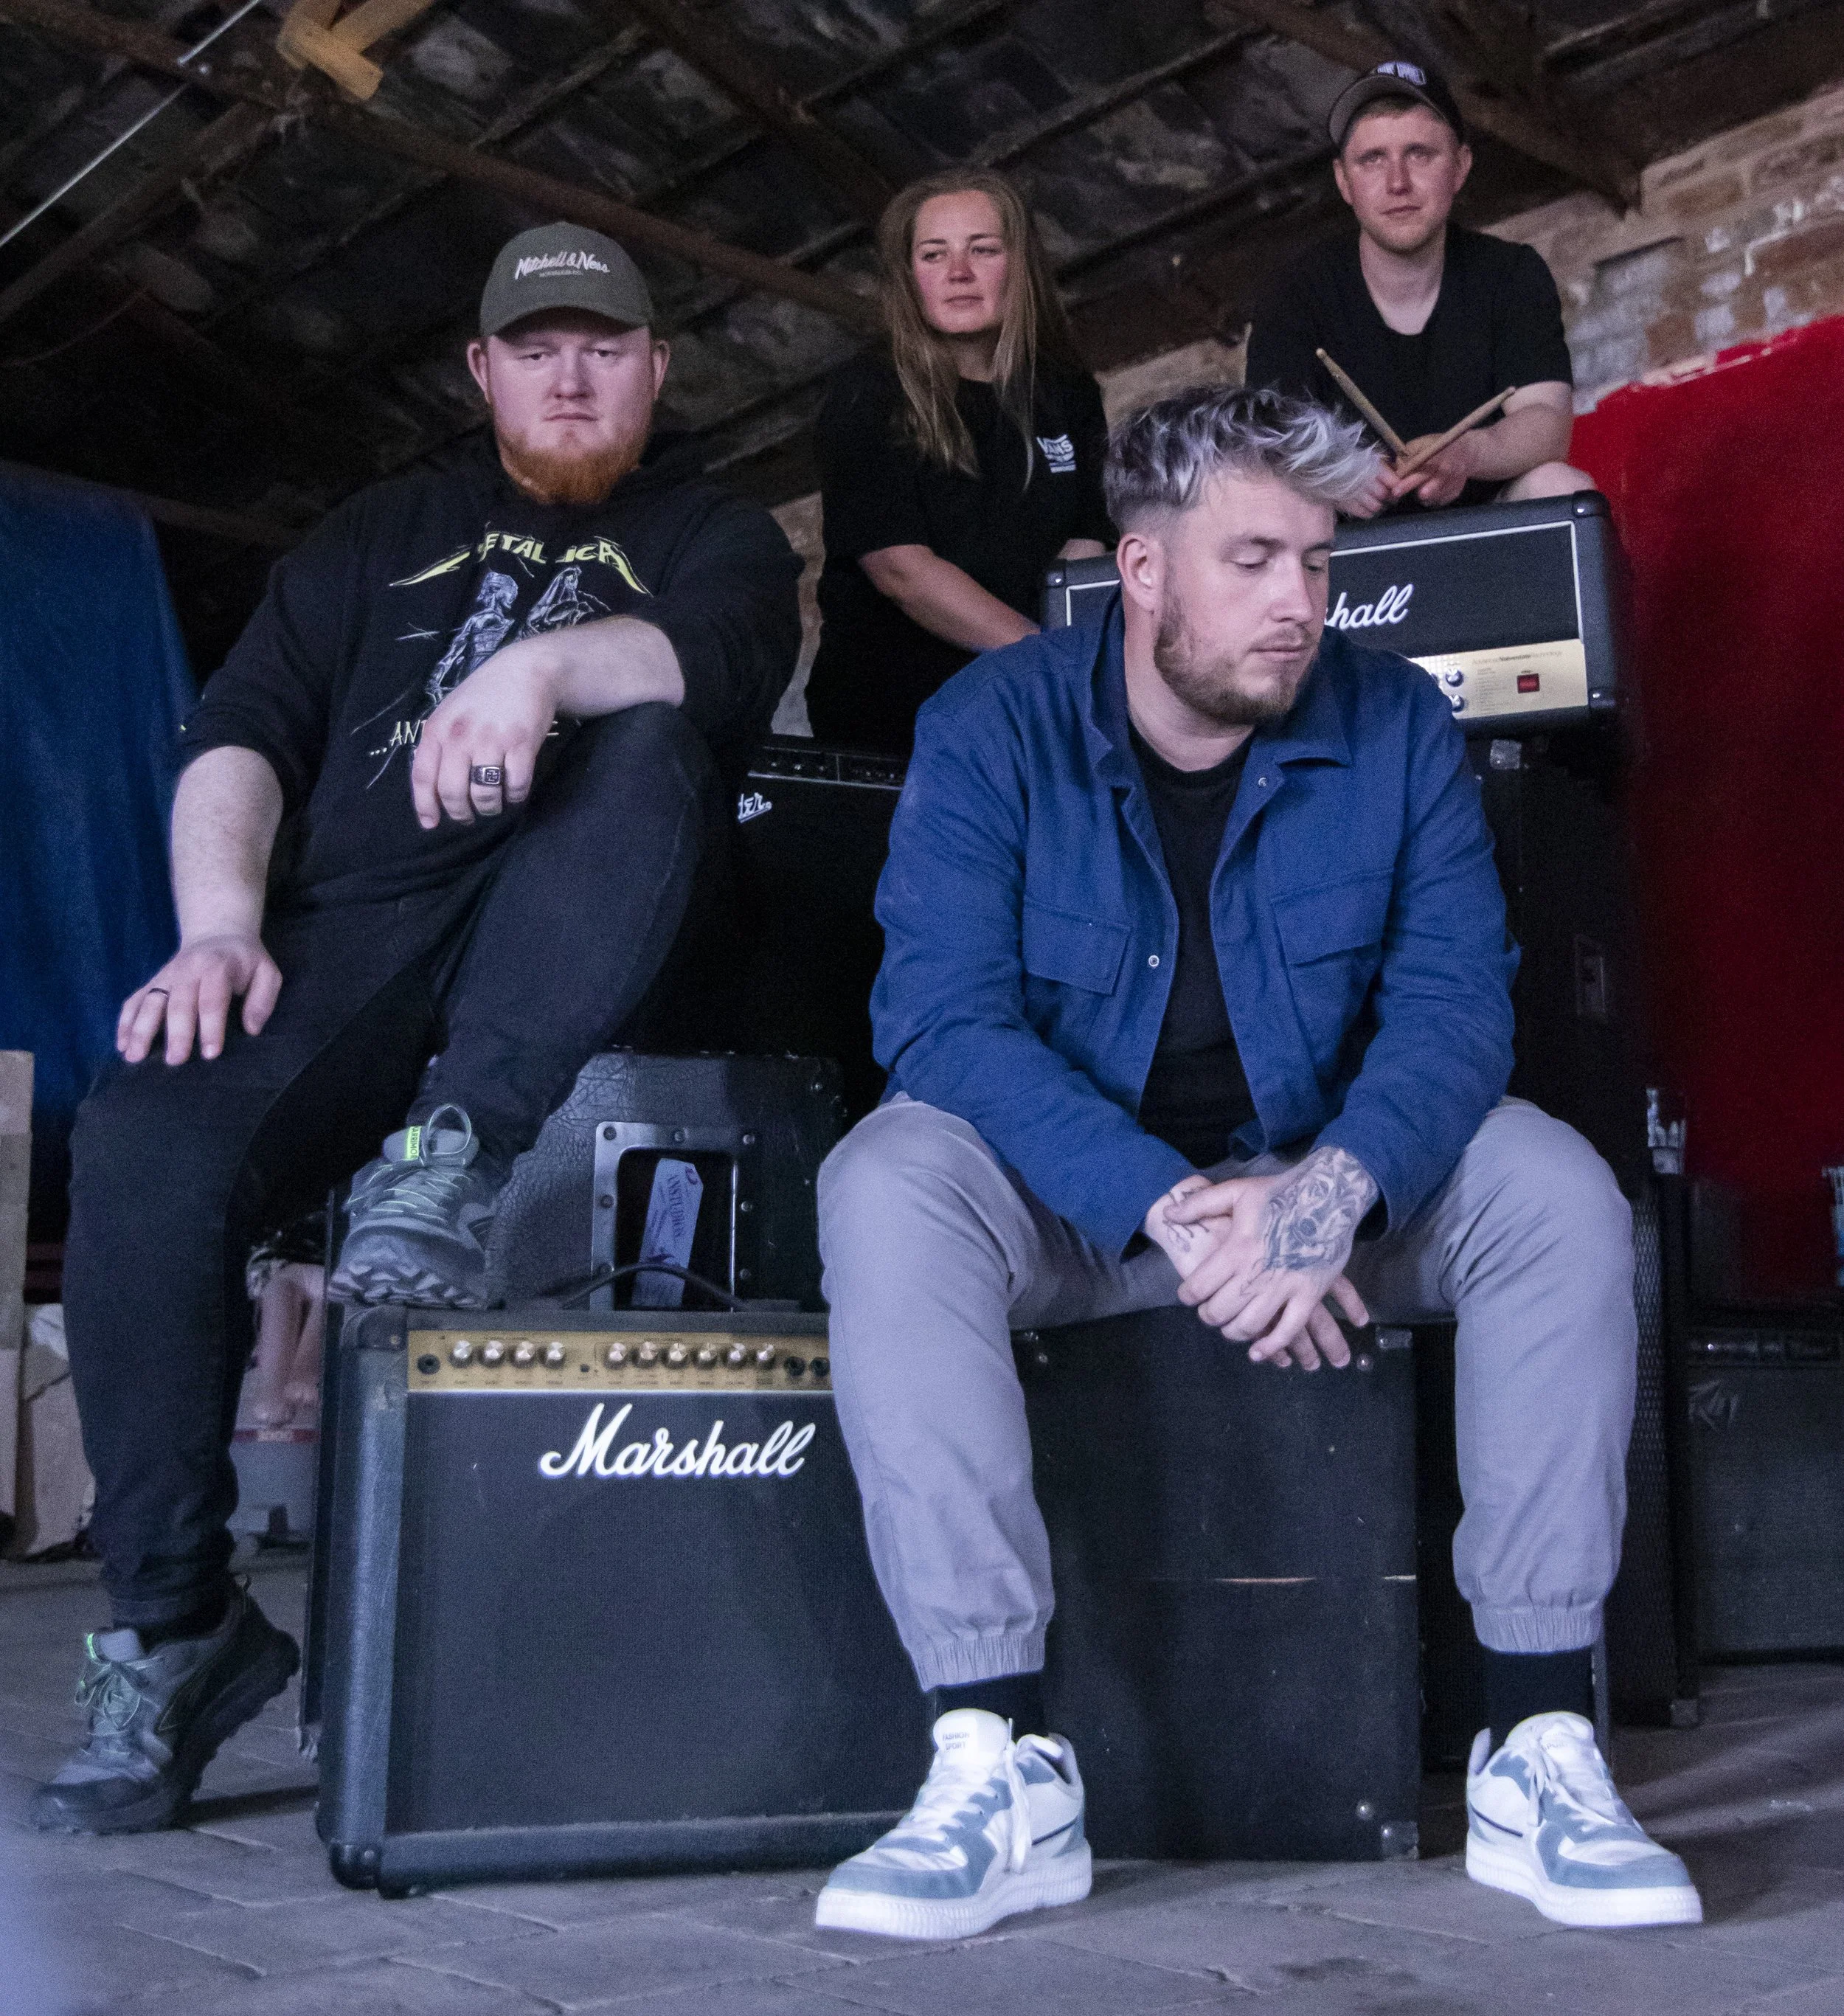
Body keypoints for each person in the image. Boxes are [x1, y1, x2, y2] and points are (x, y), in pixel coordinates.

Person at [811, 387, 1700, 1941]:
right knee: (885, 1181)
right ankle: (997, 1756)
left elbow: (1454, 1010)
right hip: (1085, 1201)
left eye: (1317, 559)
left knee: (1556, 1192)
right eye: (1253, 560)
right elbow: (939, 1018)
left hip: (1322, 1188)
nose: (1301, 601)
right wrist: (1166, 1205)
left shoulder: (1396, 722)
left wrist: (1328, 1193)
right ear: (1142, 569)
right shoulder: (992, 725)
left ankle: (1536, 1735)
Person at [31, 222, 801, 1835]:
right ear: (482, 371)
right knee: (144, 1137)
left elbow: (712, 666)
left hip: (582, 917)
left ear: (658, 367)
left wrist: (539, 670)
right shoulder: (375, 533)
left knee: (652, 738)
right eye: (537, 348)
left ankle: (449, 1154)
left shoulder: (716, 532)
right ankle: (175, 1626)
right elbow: (240, 735)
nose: (571, 377)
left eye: (605, 347)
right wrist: (220, 929)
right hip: (348, 934)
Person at [804, 170, 1113, 754]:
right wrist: (1048, 660)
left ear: (1019, 265)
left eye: (983, 249)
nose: (959, 272)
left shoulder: (1065, 389)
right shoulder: (868, 393)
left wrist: (1067, 668)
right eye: (934, 254)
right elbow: (901, 570)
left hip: (1038, 704)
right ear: (908, 277)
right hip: (901, 717)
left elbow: (1088, 535)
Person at [1244, 60, 1591, 516]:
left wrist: (1469, 453)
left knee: (1562, 487)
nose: (1398, 183)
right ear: (1344, 181)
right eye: (1373, 159)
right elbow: (1266, 442)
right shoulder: (1294, 290)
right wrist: (1337, 473)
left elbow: (1547, 424)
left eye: (1420, 154)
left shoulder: (1512, 273)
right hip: (1342, 537)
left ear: (1460, 167)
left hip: (1482, 521)